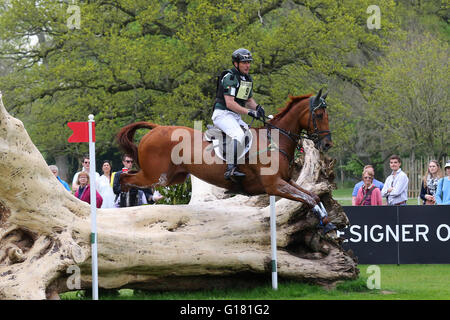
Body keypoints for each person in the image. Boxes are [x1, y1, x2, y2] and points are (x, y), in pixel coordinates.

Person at [212, 48, 265, 180]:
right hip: (222, 114)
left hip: (234, 116)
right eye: (244, 62)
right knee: (238, 135)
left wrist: (257, 107)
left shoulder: (246, 78)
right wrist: (250, 112)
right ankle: (230, 169)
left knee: (251, 135)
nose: (248, 65)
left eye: (249, 62)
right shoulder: (230, 77)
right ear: (236, 63)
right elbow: (230, 103)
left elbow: (248, 100)